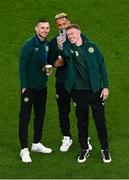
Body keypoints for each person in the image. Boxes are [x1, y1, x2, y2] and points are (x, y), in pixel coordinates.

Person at [57, 24, 112, 163]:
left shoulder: (92, 46)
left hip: (95, 92)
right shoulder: (69, 48)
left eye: (72, 33)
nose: (70, 36)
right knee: (82, 122)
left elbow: (102, 67)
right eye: (68, 35)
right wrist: (61, 46)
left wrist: (105, 86)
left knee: (100, 121)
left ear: (79, 32)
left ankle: (105, 150)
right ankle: (84, 149)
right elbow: (65, 53)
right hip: (78, 92)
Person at [48, 13, 92, 152]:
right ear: (57, 26)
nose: (62, 27)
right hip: (62, 82)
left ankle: (84, 138)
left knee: (81, 111)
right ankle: (66, 137)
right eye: (59, 25)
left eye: (64, 24)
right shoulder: (54, 41)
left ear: (69, 23)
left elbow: (88, 56)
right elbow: (51, 62)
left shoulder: (79, 37)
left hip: (78, 82)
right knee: (63, 111)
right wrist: (57, 63)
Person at [19, 19, 52, 163]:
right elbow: (22, 67)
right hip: (29, 89)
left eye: (47, 28)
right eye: (42, 28)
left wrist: (47, 70)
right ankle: (24, 150)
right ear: (36, 29)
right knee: (25, 118)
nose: (45, 30)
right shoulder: (28, 45)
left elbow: (45, 64)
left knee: (40, 116)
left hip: (42, 88)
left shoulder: (47, 45)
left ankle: (36, 143)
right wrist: (24, 86)